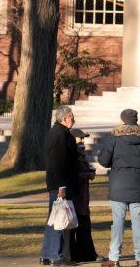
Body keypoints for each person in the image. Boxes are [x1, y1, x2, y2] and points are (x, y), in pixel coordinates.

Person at [98, 109, 140, 267]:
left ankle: (115, 258)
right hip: (138, 184)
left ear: (122, 120)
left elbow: (104, 161)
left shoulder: (115, 139)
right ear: (136, 119)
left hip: (118, 185)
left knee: (117, 222)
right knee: (138, 221)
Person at [40, 105, 79, 266]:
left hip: (57, 183)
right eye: (72, 117)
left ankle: (47, 254)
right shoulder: (60, 135)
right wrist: (62, 186)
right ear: (64, 118)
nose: (74, 120)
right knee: (60, 220)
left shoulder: (58, 133)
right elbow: (59, 162)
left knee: (54, 218)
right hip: (60, 184)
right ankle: (56, 256)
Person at [69, 128, 99, 263]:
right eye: (80, 139)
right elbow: (72, 175)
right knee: (76, 229)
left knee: (84, 228)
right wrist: (87, 175)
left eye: (83, 139)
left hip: (82, 199)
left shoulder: (81, 154)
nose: (82, 141)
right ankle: (76, 255)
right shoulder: (71, 155)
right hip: (75, 198)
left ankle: (88, 254)